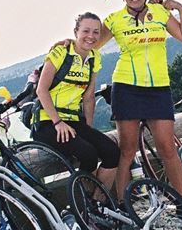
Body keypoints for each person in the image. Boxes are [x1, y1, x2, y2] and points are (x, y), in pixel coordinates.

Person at [97, 0, 182, 202]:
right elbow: (90, 43)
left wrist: (180, 8)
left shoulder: (160, 13)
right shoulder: (114, 19)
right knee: (127, 151)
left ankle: (181, 201)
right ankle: (122, 204)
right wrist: (69, 42)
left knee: (167, 148)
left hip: (158, 88)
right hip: (126, 88)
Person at [34, 12, 119, 191]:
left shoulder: (94, 57)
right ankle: (84, 206)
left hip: (74, 120)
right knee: (88, 154)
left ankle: (99, 205)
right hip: (48, 121)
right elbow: (41, 90)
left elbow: (88, 97)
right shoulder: (60, 53)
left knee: (112, 152)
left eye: (96, 32)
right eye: (86, 31)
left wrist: (88, 129)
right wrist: (58, 122)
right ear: (76, 32)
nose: (91, 36)